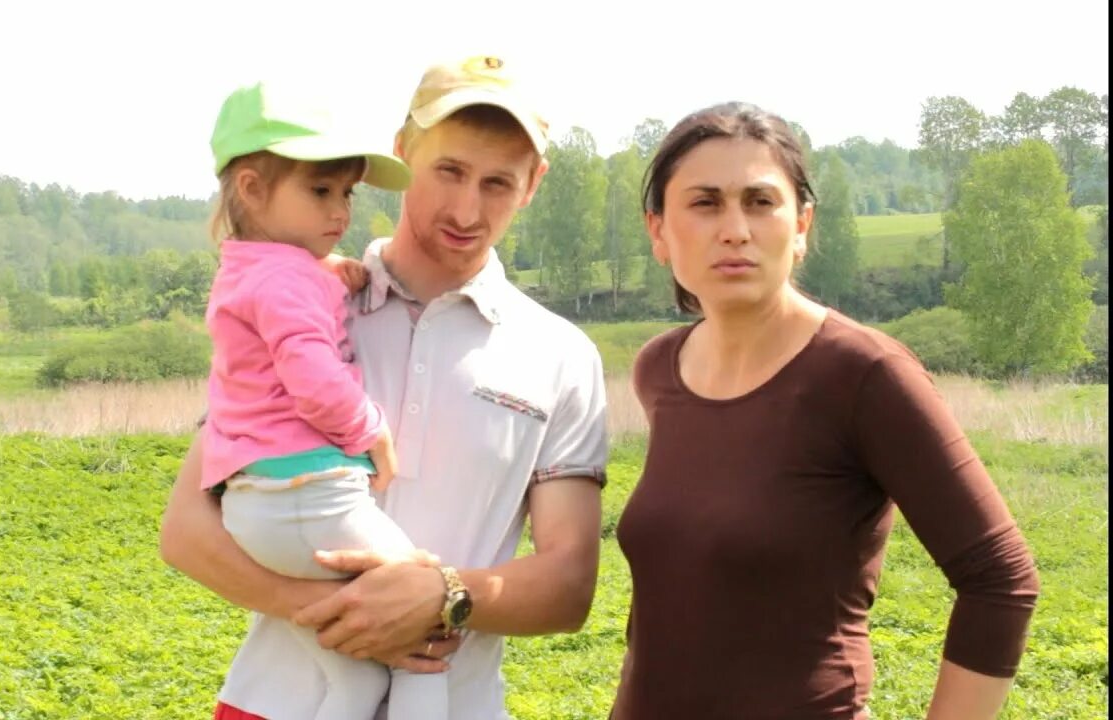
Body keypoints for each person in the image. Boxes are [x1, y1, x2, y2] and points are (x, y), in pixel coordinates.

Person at [160, 55, 609, 720]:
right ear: (402, 152)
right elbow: (186, 530)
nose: (466, 207)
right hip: (273, 704)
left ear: (534, 184)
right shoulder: (307, 300)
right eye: (448, 171)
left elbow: (569, 586)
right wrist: (331, 613)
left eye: (497, 184)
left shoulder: (562, 355)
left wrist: (444, 596)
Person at [612, 102, 1040, 719]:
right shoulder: (659, 368)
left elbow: (1001, 580)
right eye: (705, 203)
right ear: (658, 230)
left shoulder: (865, 375)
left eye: (760, 202)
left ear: (803, 223)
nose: (735, 229)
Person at [201, 80, 453, 720]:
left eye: (345, 192)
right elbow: (311, 375)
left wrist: (324, 267)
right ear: (253, 188)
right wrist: (371, 428)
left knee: (353, 677)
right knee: (424, 601)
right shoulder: (286, 280)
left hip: (262, 502)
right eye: (319, 191)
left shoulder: (253, 268)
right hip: (309, 491)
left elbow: (279, 298)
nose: (339, 210)